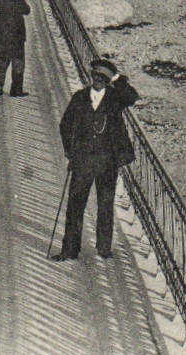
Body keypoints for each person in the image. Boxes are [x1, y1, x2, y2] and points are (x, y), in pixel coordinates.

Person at [53, 58, 139, 261]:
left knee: (106, 204)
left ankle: (104, 248)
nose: (98, 80)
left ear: (108, 80)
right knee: (75, 205)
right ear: (91, 76)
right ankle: (70, 250)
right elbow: (65, 125)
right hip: (83, 160)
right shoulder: (80, 98)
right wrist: (70, 150)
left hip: (107, 161)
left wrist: (117, 77)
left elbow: (132, 97)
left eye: (103, 77)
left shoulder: (115, 98)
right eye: (95, 76)